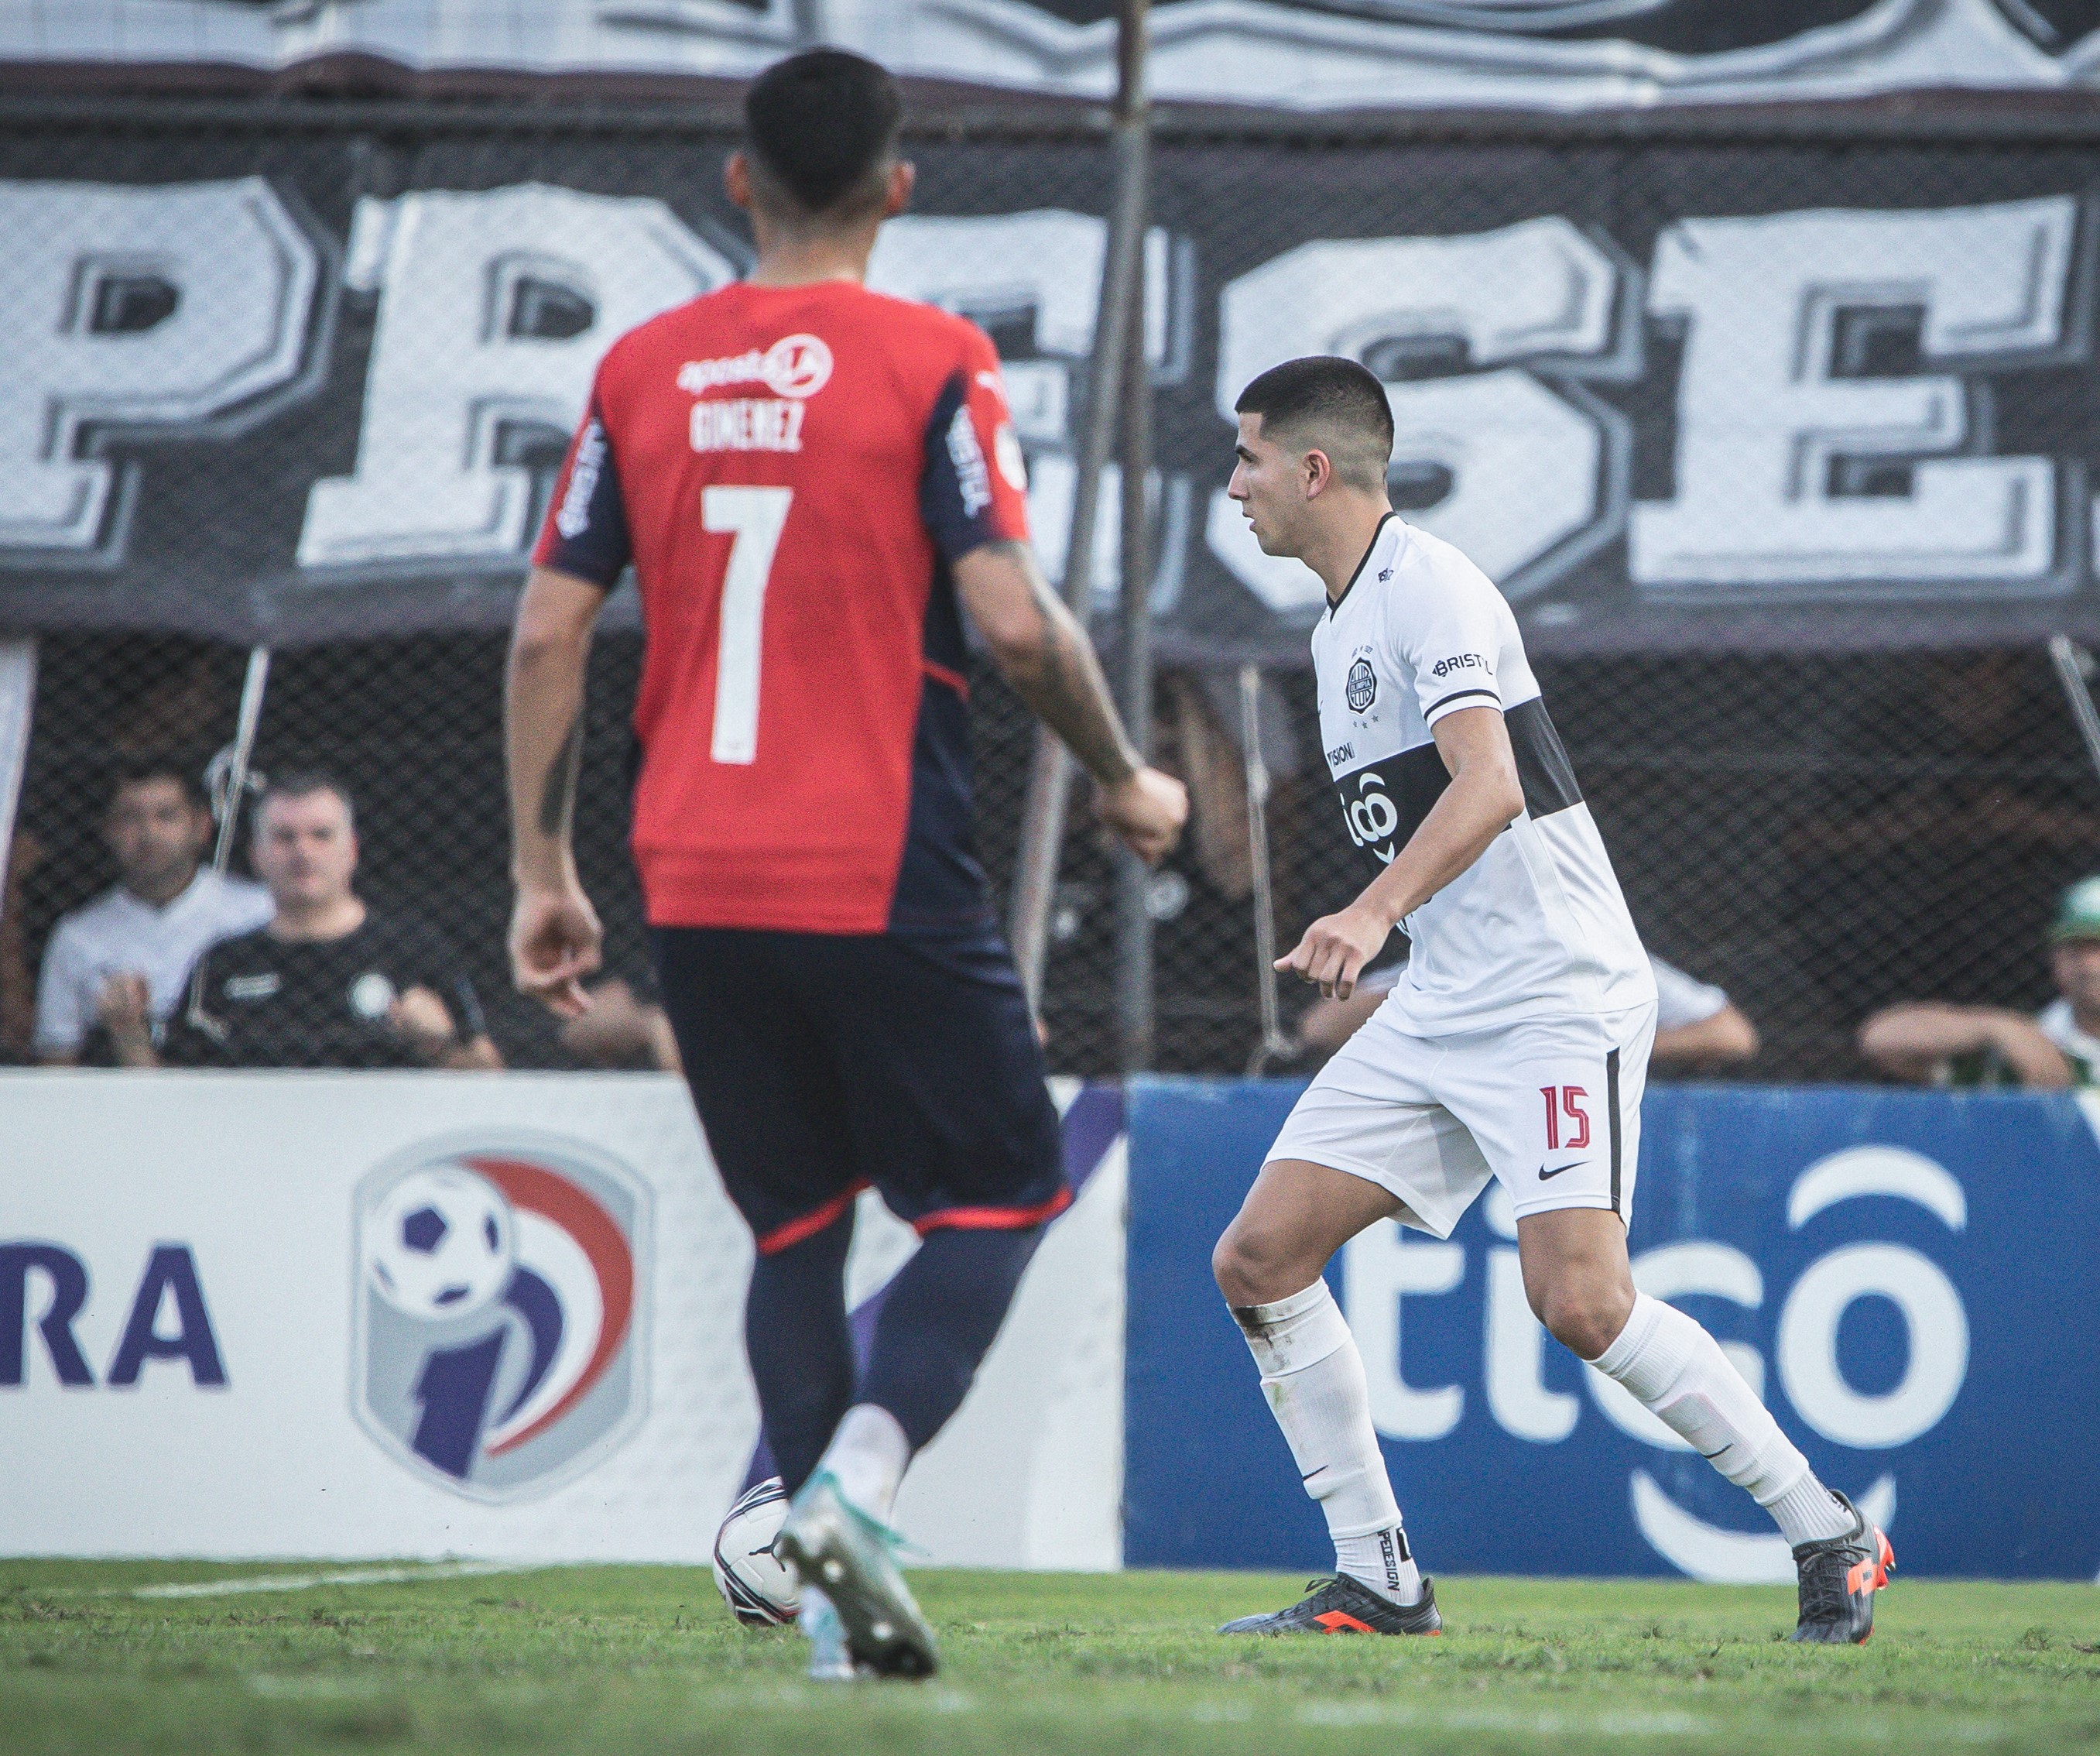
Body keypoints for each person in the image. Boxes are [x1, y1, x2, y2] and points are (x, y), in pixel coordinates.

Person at [503, 49, 1186, 1680]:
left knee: (799, 1229)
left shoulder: (641, 368)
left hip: (690, 873)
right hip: (875, 861)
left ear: (736, 182)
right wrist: (1125, 774)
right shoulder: (931, 358)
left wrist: (544, 867)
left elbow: (548, 628)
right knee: (1010, 1189)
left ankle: (825, 1620)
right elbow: (1015, 621)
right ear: (901, 186)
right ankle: (858, 1491)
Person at [1208, 356, 1889, 1645]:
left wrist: (1366, 916)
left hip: (1549, 995)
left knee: (1578, 1302)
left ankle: (1826, 1528)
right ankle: (1379, 1578)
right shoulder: (1333, 626)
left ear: (1310, 469)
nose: (1231, 486)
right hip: (1447, 998)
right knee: (1257, 1255)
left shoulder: (1433, 587)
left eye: (1244, 459)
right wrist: (1396, 934)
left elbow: (1488, 787)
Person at [153, 773, 501, 1071]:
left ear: (352, 849)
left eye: (321, 835)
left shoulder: (413, 949)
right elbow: (169, 1092)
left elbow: (493, 1076)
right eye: (284, 837)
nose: (303, 851)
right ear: (256, 855)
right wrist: (127, 1032)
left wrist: (439, 1046)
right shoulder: (221, 963)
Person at [33, 759, 272, 1066]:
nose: (148, 833)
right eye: (130, 818)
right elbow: (57, 1061)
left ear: (201, 827)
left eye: (166, 816)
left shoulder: (257, 911)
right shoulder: (78, 935)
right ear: (108, 831)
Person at [1300, 949, 1759, 1070]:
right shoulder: (1449, 957)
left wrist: (1605, 1044)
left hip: (1587, 1111)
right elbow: (1317, 1027)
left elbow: (1736, 1036)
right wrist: (1438, 988)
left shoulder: (1601, 954)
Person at [1858, 876, 2100, 1087]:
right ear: (2056, 959)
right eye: (2077, 950)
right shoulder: (2019, 1047)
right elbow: (1880, 1038)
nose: (2091, 965)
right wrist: (1997, 1027)